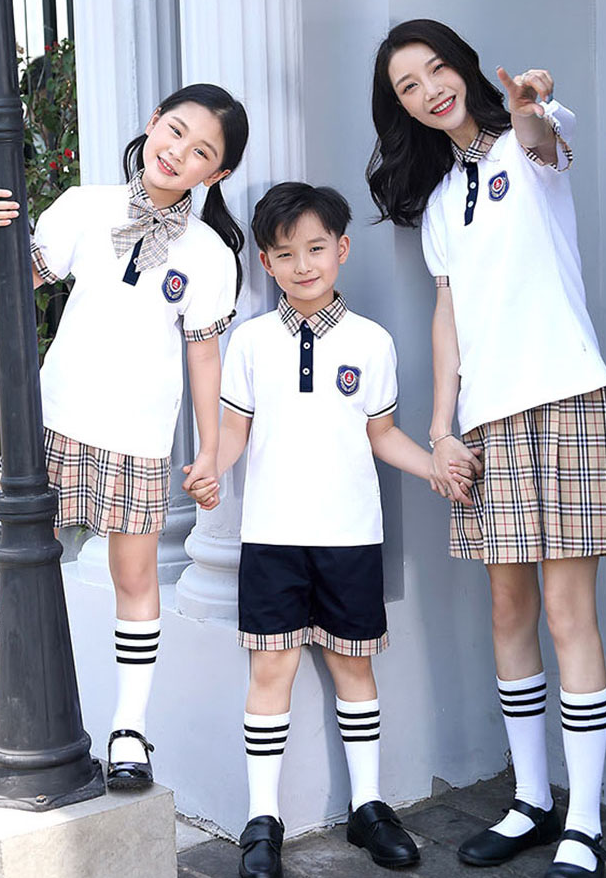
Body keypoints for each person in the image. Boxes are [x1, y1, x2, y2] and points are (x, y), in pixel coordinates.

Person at [366, 19, 606, 878]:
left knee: (568, 614)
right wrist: (441, 427)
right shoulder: (438, 204)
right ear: (400, 107)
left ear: (462, 67)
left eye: (436, 70)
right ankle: (531, 800)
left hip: (564, 396)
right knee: (507, 610)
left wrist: (529, 106)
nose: (429, 91)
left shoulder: (531, 142)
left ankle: (584, 822)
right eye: (408, 87)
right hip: (486, 420)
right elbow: (448, 319)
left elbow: (541, 138)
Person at [0, 83, 249, 791]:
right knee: (17, 565)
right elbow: (21, 277)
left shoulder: (208, 254)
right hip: (54, 420)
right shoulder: (85, 206)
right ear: (153, 123)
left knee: (135, 579)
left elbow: (204, 355)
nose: (180, 152)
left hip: (138, 437)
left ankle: (130, 730)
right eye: (176, 131)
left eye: (203, 151)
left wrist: (208, 450)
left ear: (217, 173)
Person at [185, 182, 430, 877]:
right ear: (266, 262)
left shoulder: (371, 342)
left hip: (350, 536)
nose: (302, 265)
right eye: (285, 253)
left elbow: (383, 434)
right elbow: (234, 433)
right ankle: (263, 818)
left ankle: (368, 807)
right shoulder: (251, 342)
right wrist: (209, 467)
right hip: (272, 537)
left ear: (341, 249)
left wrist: (436, 467)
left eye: (316, 249)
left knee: (354, 666)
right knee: (272, 669)